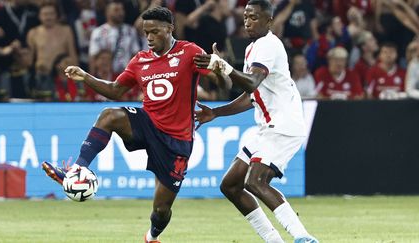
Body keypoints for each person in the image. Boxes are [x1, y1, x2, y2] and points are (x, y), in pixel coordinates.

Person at [41, 7, 228, 243]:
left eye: (155, 32)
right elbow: (115, 90)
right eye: (145, 32)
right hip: (147, 123)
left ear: (170, 29)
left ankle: (151, 237)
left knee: (161, 211)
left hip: (176, 140)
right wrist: (86, 77)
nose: (149, 37)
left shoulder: (189, 51)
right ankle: (77, 169)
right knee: (109, 115)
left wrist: (220, 68)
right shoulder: (140, 60)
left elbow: (224, 86)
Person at [194, 0, 318, 242]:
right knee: (230, 185)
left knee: (256, 181)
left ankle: (303, 237)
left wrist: (223, 65)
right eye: (246, 17)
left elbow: (252, 82)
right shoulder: (254, 48)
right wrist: (216, 113)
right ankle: (273, 240)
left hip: (284, 124)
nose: (248, 22)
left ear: (269, 21)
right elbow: (251, 96)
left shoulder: (269, 45)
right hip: (268, 126)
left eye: (254, 17)